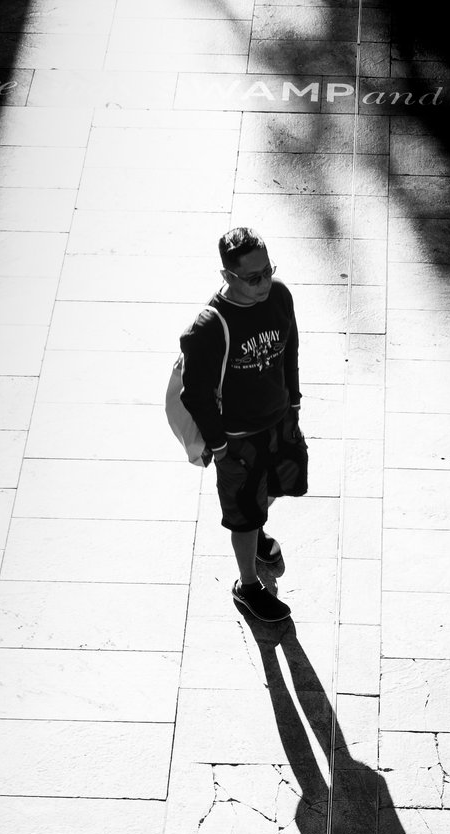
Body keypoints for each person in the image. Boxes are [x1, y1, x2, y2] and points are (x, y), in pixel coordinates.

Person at [177, 227, 306, 624]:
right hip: (237, 439)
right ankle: (248, 586)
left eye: (268, 271)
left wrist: (294, 404)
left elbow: (290, 351)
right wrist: (219, 448)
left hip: (279, 421)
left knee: (276, 488)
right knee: (244, 517)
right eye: (253, 278)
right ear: (227, 276)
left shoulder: (279, 296)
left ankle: (256, 534)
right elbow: (194, 395)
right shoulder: (209, 327)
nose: (264, 283)